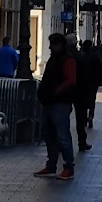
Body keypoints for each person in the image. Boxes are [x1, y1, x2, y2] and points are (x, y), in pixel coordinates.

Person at [35, 32, 77, 180]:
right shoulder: (54, 58)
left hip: (60, 102)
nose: (50, 47)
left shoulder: (67, 59)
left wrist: (55, 91)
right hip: (49, 101)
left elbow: (70, 80)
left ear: (59, 45)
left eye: (53, 44)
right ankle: (51, 165)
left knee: (62, 134)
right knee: (50, 135)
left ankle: (68, 166)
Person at [75, 39, 102, 151]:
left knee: (79, 116)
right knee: (91, 101)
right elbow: (99, 71)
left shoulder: (78, 58)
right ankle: (90, 116)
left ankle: (81, 139)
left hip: (79, 89)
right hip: (90, 87)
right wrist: (97, 82)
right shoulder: (95, 58)